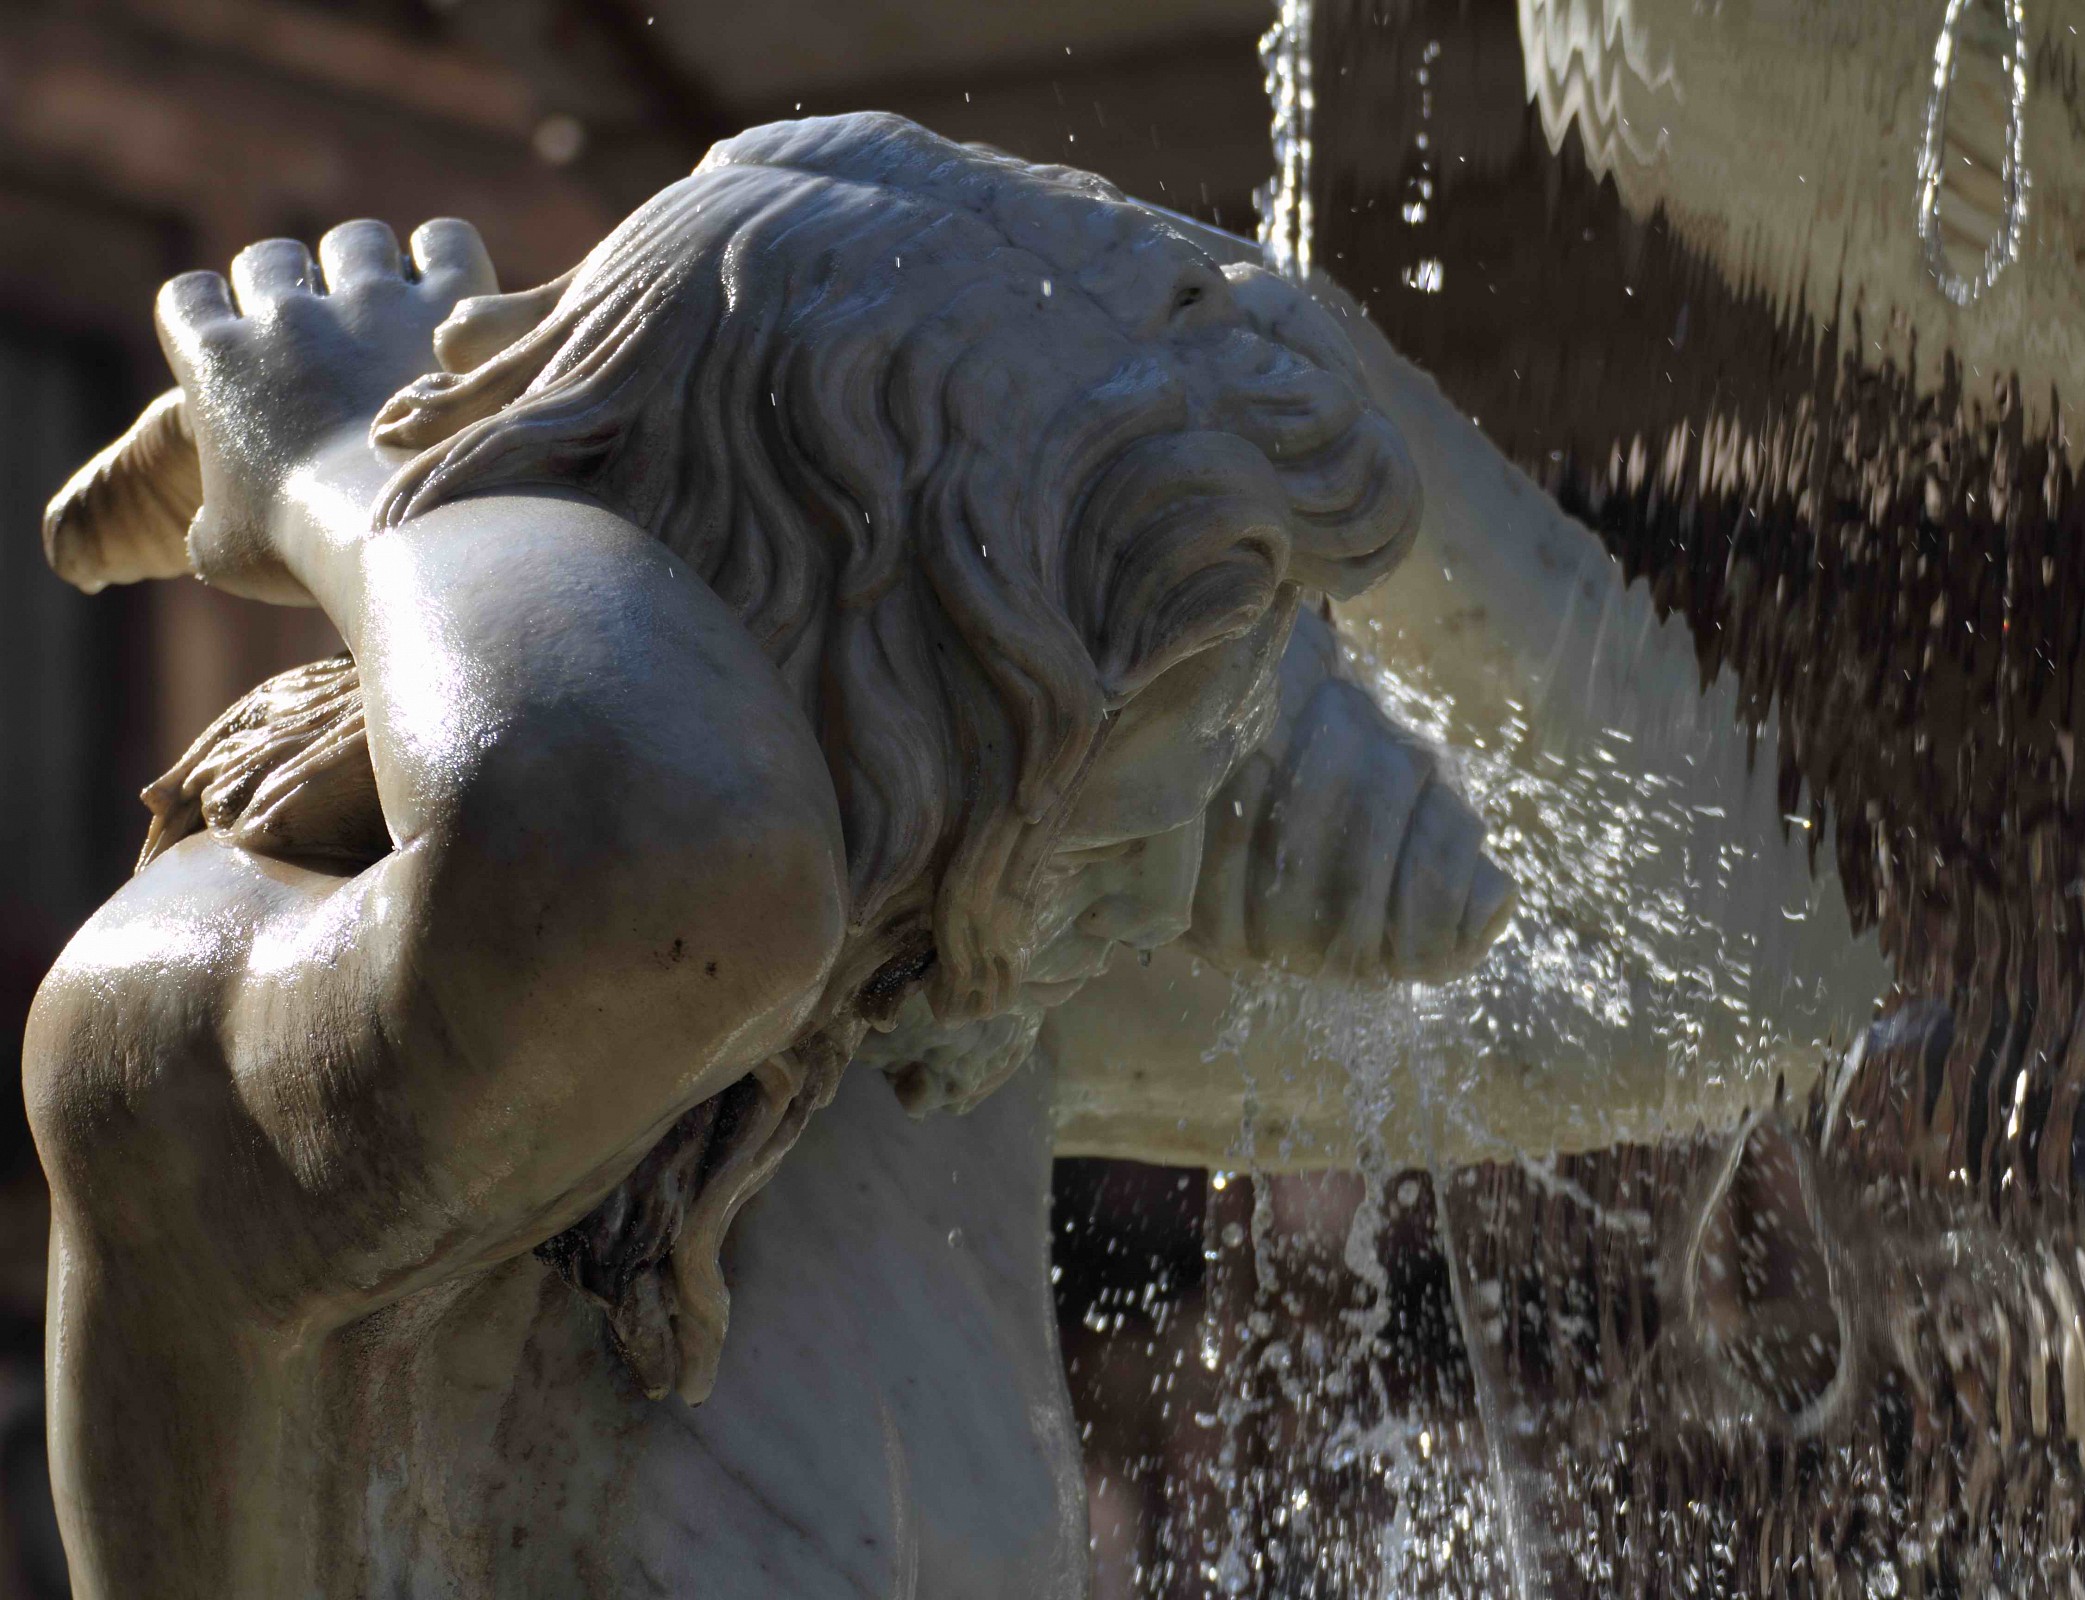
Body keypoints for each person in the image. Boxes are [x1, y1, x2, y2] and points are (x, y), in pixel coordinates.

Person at [23, 115, 1517, 1597]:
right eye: (1114, 826)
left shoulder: (897, 1040)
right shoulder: (198, 1002)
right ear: (871, 723)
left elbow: (1635, 998)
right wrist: (354, 466)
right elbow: (651, 835)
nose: (1174, 898)